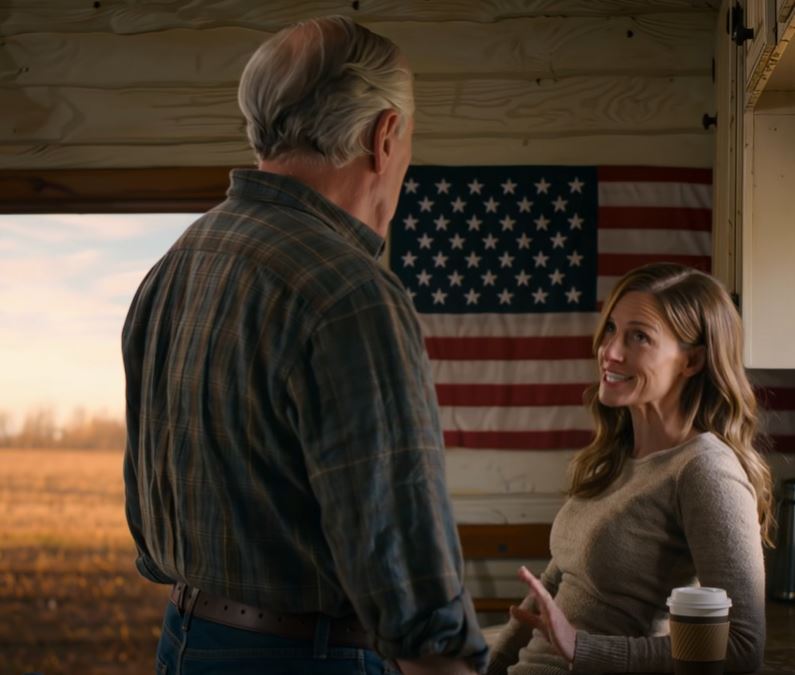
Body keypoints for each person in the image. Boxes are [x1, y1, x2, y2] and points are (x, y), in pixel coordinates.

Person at [122, 16, 487, 675]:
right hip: (309, 656)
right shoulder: (349, 295)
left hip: (184, 641)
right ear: (383, 137)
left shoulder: (175, 264)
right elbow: (404, 566)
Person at [486, 262, 774, 674]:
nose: (611, 351)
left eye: (639, 337)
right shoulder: (616, 457)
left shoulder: (705, 471)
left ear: (691, 361)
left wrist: (583, 649)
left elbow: (743, 647)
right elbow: (554, 586)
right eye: (611, 330)